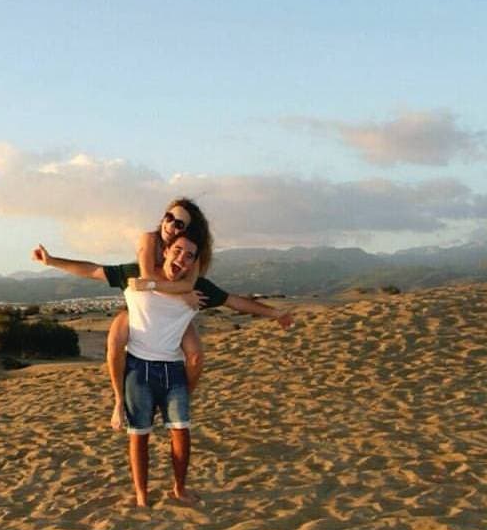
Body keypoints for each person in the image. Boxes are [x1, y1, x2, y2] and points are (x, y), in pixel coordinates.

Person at [32, 231, 293, 508]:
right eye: (178, 250)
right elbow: (92, 270)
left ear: (193, 264)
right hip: (137, 369)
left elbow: (236, 302)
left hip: (173, 370)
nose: (182, 258)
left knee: (182, 432)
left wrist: (276, 314)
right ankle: (142, 495)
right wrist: (51, 260)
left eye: (189, 256)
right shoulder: (136, 277)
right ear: (166, 251)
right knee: (139, 436)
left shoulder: (198, 290)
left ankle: (179, 488)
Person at [104, 199, 212, 432]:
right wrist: (51, 261)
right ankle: (119, 400)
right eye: (169, 217)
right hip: (141, 314)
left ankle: (180, 397)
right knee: (114, 341)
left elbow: (230, 299)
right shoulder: (149, 240)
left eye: (180, 224)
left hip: (173, 322)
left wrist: (275, 313)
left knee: (195, 356)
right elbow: (100, 271)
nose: (171, 225)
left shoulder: (190, 257)